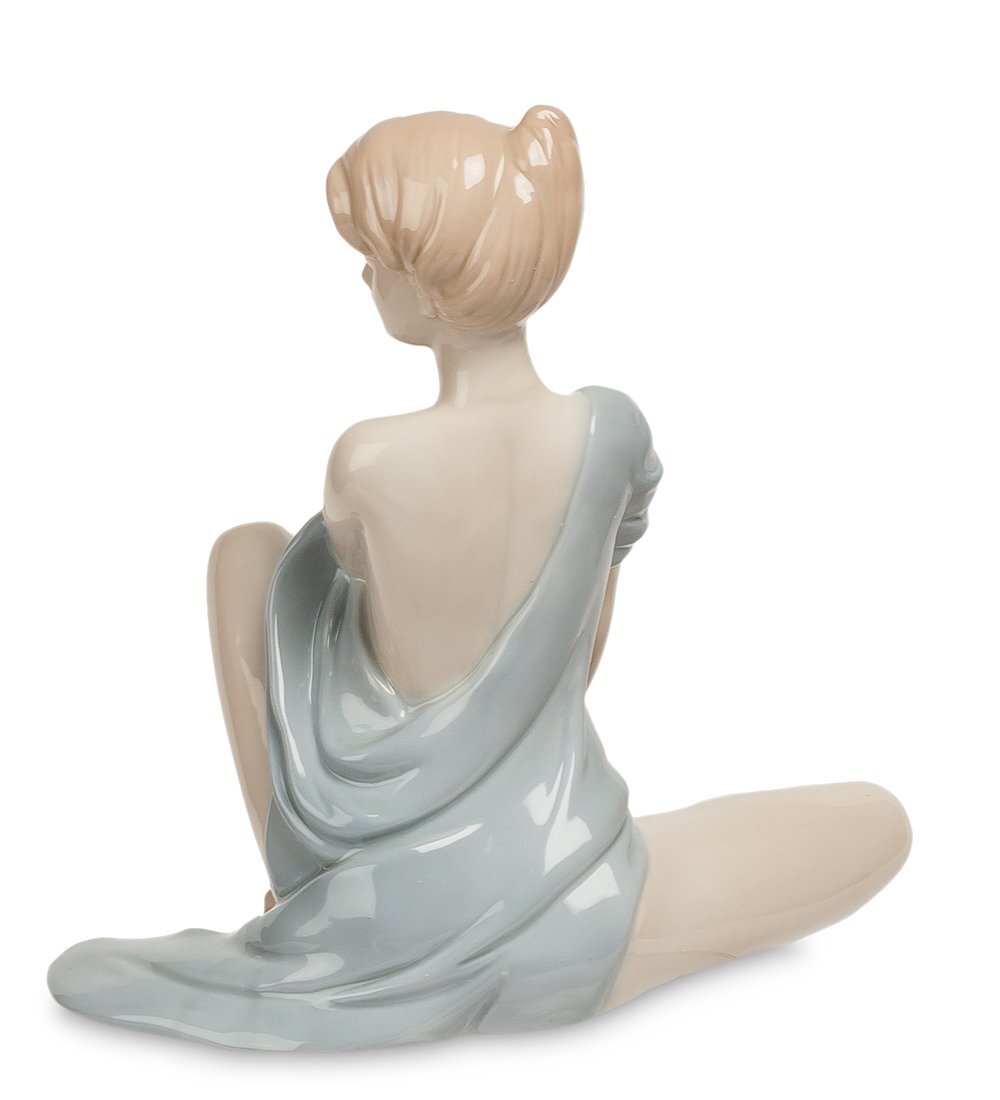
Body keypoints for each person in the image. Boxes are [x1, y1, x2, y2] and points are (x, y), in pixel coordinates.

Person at [48, 106, 911, 1050]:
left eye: (376, 257)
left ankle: (314, 885)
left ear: (431, 276)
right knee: (882, 824)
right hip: (582, 887)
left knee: (246, 555)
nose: (364, 276)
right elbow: (582, 652)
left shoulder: (369, 461)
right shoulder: (612, 432)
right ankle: (423, 896)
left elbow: (371, 622)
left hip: (381, 911)